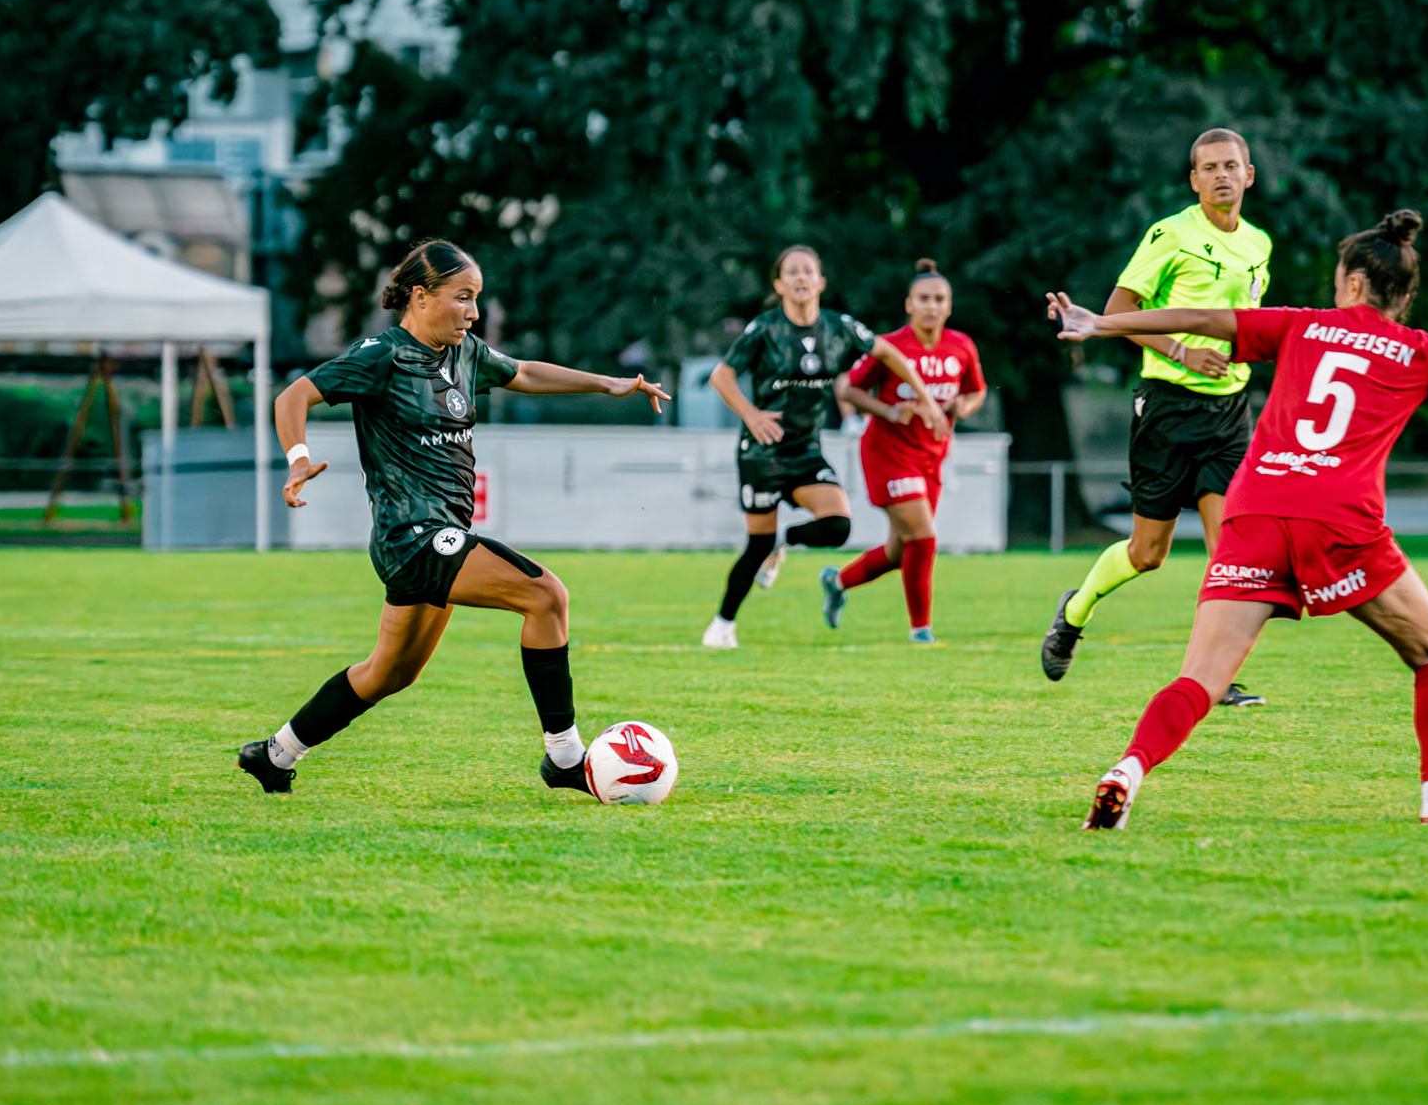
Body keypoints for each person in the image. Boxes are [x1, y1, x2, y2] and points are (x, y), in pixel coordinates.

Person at [1047, 210, 1428, 830]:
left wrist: (1103, 323)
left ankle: (1128, 770)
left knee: (1201, 679)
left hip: (1255, 510)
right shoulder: (1419, 350)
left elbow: (1202, 319)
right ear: (1404, 296)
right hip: (1340, 521)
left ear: (1354, 283)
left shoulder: (1302, 327)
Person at [237, 240, 670, 795]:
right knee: (545, 596)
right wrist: (297, 461)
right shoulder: (381, 355)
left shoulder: (463, 354)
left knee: (388, 674)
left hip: (443, 535)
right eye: (462, 298)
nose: (473, 312)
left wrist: (608, 384)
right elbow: (293, 396)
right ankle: (564, 758)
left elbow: (525, 373)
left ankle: (275, 754)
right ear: (420, 296)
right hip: (411, 537)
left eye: (477, 300)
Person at [1039, 129, 1273, 708]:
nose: (1221, 175)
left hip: (1229, 415)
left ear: (1249, 175)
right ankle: (1073, 613)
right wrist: (1182, 351)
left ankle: (1211, 676)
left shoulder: (1260, 244)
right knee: (1148, 554)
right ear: (1194, 180)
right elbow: (1121, 312)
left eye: (1231, 166)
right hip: (1166, 408)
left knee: (1232, 553)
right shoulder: (1170, 234)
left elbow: (1248, 325)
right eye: (1209, 167)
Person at [701, 245, 949, 649]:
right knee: (755, 545)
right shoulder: (764, 329)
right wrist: (752, 415)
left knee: (838, 526)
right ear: (779, 284)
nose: (801, 278)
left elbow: (889, 352)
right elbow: (721, 376)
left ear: (820, 282)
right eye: (792, 272)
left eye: (808, 271)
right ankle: (723, 624)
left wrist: (926, 400)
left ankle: (785, 540)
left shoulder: (839, 327)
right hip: (761, 452)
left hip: (805, 451)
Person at [826, 260, 988, 643]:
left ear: (949, 306)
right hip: (888, 454)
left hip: (931, 456)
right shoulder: (890, 346)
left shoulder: (961, 345)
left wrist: (964, 407)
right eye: (924, 299)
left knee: (902, 550)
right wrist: (888, 412)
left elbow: (976, 390)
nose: (931, 306)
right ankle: (921, 631)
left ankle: (837, 581)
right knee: (925, 537)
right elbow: (848, 389)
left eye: (939, 299)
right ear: (908, 304)